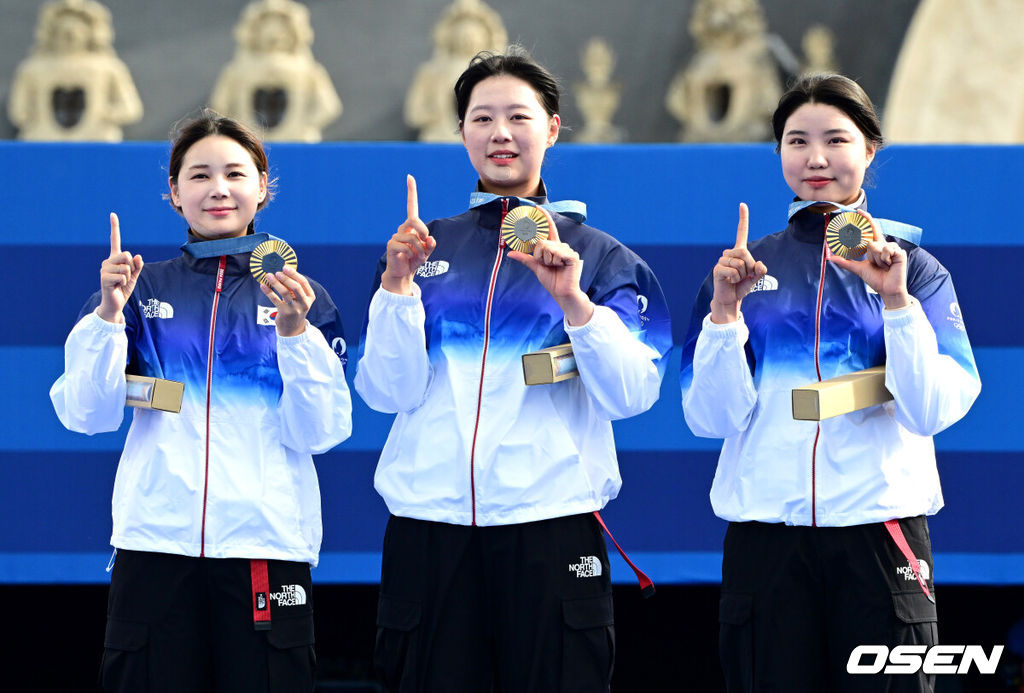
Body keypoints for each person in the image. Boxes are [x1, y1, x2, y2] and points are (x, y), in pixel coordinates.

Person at [355, 46, 672, 692]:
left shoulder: (601, 257)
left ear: (552, 128)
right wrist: (394, 285)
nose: (500, 133)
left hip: (549, 528)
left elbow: (634, 392)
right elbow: (388, 390)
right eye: (481, 118)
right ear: (463, 132)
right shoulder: (422, 249)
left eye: (518, 117)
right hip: (430, 531)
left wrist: (575, 304)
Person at [680, 73, 981, 692]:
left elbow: (933, 409)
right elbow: (710, 419)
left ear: (871, 148)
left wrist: (896, 302)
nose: (816, 158)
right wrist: (724, 314)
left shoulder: (916, 269)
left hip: (880, 536)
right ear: (778, 155)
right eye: (797, 141)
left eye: (836, 140)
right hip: (767, 542)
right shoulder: (742, 269)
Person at [50, 110, 352, 692]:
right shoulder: (138, 290)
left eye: (235, 173)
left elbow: (321, 432)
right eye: (199, 175)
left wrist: (295, 332)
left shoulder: (303, 298)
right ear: (173, 194)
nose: (218, 188)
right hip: (155, 545)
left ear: (263, 187)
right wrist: (109, 314)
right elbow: (86, 415)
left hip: (265, 546)